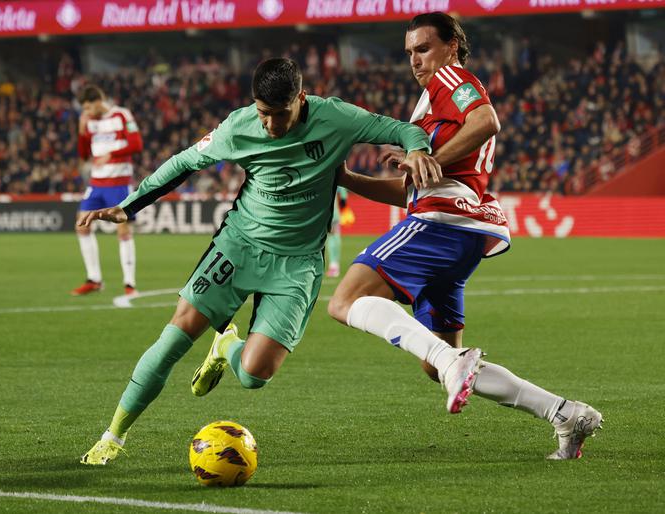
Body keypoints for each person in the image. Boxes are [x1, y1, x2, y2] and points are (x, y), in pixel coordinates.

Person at [78, 58, 474, 465]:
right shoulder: (239, 126)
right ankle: (114, 435)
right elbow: (183, 162)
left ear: (301, 99)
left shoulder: (336, 116)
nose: (268, 124)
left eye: (278, 114)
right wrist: (129, 207)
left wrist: (418, 150)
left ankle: (227, 343)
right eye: (262, 113)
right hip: (239, 246)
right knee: (175, 338)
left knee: (254, 375)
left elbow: (403, 129)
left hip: (297, 265)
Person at [327, 12, 602, 460]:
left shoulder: (452, 77)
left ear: (452, 45)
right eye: (410, 52)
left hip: (443, 221)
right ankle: (565, 413)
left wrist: (429, 159)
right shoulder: (428, 103)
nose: (416, 60)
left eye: (424, 48)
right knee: (433, 364)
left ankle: (457, 363)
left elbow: (487, 122)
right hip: (461, 232)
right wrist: (348, 179)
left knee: (343, 302)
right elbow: (412, 188)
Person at [72, 85, 143, 296]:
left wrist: (111, 154)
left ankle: (129, 284)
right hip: (96, 183)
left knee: (122, 230)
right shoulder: (89, 121)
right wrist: (82, 132)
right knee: (81, 225)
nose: (86, 112)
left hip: (119, 182)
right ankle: (94, 279)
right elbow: (84, 156)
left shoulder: (121, 114)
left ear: (98, 101)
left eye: (87, 108)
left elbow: (136, 144)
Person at [325, 186, 348, 278]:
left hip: (328, 212)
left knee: (331, 238)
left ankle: (334, 265)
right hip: (333, 212)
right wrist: (343, 199)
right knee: (334, 236)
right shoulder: (333, 174)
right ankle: (334, 264)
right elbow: (342, 189)